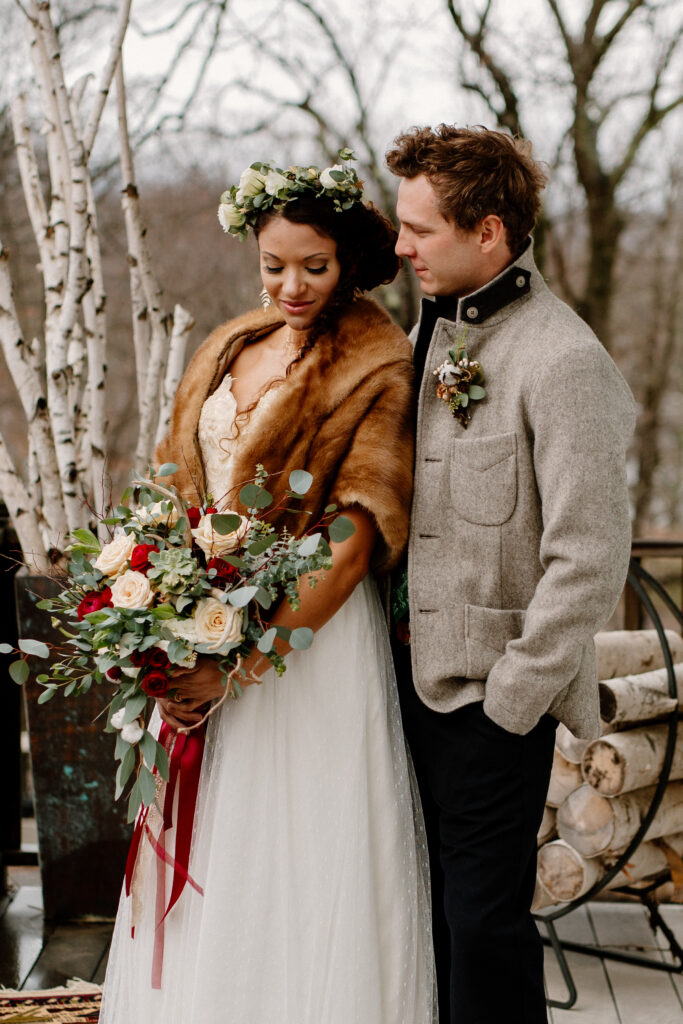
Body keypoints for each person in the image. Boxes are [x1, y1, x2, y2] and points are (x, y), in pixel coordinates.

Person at [100, 157, 436, 1024]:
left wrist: (242, 661)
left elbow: (355, 539)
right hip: (204, 621)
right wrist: (163, 628)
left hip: (305, 646)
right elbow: (178, 492)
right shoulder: (232, 343)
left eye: (313, 267)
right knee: (214, 844)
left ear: (349, 262)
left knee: (294, 852)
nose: (290, 285)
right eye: (272, 266)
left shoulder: (376, 361)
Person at [385, 124, 636, 1024]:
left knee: (482, 925)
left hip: (490, 701)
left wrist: (513, 697)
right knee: (427, 920)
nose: (401, 244)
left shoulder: (564, 361)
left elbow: (590, 553)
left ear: (488, 232)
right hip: (400, 685)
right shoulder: (433, 329)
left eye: (420, 228)